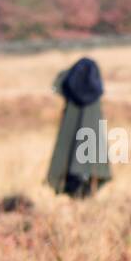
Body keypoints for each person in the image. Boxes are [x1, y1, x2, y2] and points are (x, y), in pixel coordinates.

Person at [47, 56, 111, 198]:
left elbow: (57, 85)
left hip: (73, 168)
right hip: (89, 165)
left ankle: (80, 194)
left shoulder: (70, 89)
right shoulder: (93, 103)